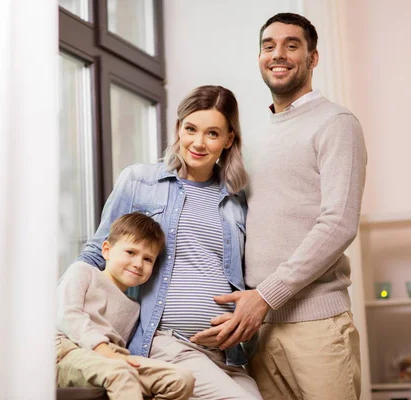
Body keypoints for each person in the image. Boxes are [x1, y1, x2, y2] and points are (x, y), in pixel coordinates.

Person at [191, 13, 367, 400]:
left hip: (316, 325)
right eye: (269, 46)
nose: (279, 54)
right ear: (259, 57)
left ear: (313, 58)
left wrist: (266, 295)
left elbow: (338, 224)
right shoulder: (250, 136)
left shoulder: (336, 123)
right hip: (258, 328)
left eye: (292, 45)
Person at [75, 85, 262, 399]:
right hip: (166, 342)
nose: (198, 143)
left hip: (226, 354)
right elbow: (97, 253)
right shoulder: (140, 181)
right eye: (190, 129)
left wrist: (241, 325)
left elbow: (242, 276)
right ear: (179, 128)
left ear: (229, 139)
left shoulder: (235, 201)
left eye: (212, 133)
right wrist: (69, 317)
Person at [56, 212, 195, 400]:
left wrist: (115, 356)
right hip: (69, 352)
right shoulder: (83, 271)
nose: (138, 264)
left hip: (113, 359)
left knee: (182, 379)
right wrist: (104, 351)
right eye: (131, 252)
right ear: (106, 250)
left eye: (148, 259)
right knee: (121, 372)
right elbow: (67, 316)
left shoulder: (134, 308)